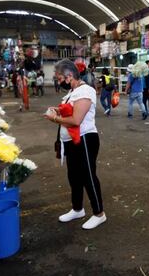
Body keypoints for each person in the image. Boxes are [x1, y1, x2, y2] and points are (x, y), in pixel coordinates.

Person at [44, 59, 106, 230]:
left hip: (85, 139)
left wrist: (54, 118)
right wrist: (58, 110)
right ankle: (77, 209)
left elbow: (76, 120)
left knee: (88, 176)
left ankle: (99, 213)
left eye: (59, 78)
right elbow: (70, 112)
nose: (58, 81)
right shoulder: (73, 92)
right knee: (74, 177)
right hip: (71, 141)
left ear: (69, 76)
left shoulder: (85, 91)